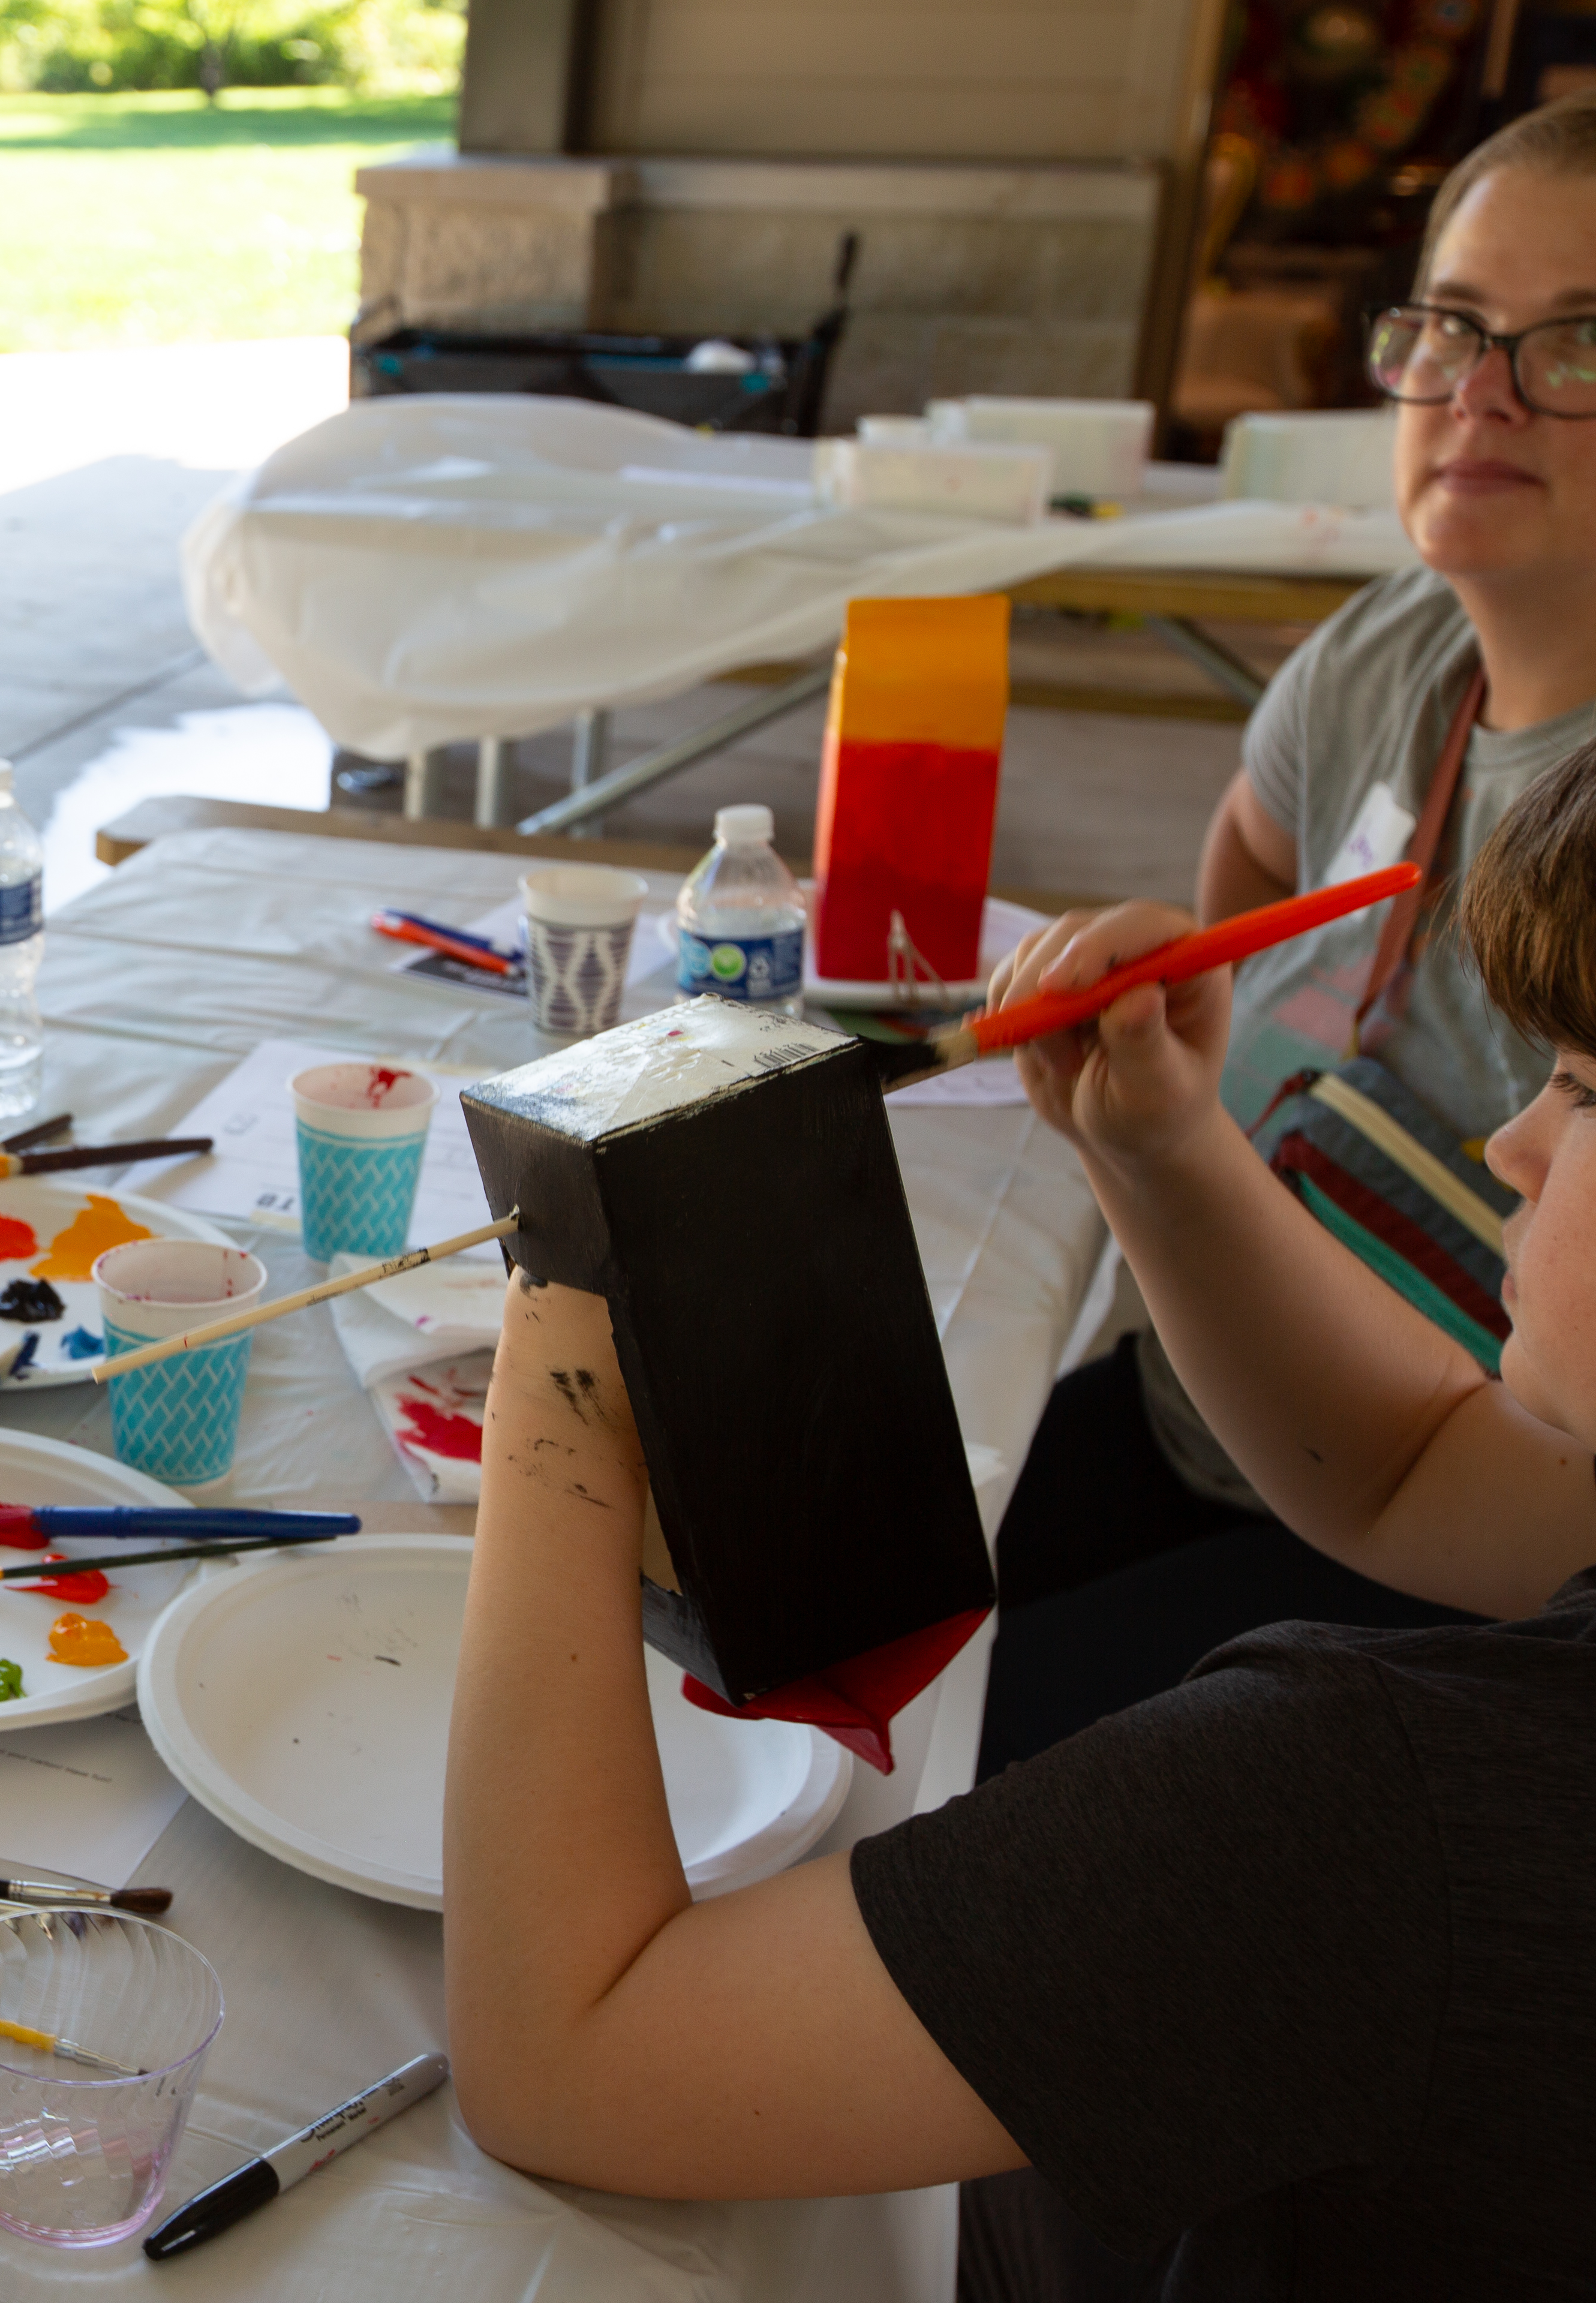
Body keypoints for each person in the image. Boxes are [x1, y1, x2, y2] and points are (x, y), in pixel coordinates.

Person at [444, 751, 1596, 2295]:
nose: (1510, 1144)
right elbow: (1417, 1468)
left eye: (1584, 1089)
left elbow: (564, 2062)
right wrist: (1160, 1145)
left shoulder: (1370, 1812)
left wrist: (561, 1374)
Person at [981, 96, 1596, 1773]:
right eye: (1456, 329)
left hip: (1481, 1555)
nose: (1481, 392)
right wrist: (1208, 1031)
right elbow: (1251, 839)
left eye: (1578, 344)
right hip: (1221, 1403)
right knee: (824, 1627)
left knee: (950, 1766)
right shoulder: (1399, 644)